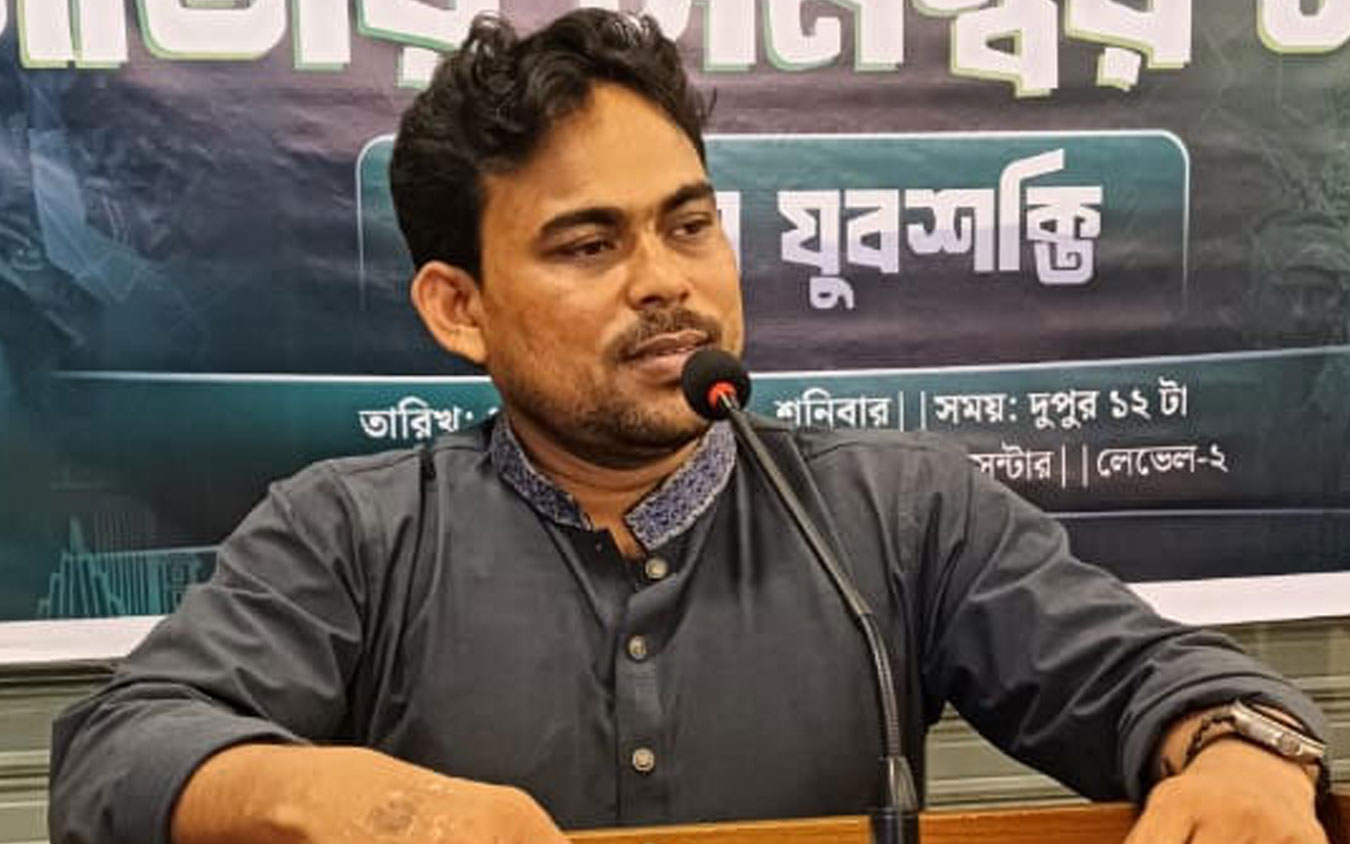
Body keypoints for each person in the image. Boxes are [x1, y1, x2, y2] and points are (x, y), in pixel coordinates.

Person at [48, 9, 1331, 844]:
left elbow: (1168, 680)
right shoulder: (352, 531)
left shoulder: (896, 514)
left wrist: (1241, 755)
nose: (665, 280)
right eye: (588, 244)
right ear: (459, 308)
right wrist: (340, 798)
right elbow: (113, 755)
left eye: (689, 222)